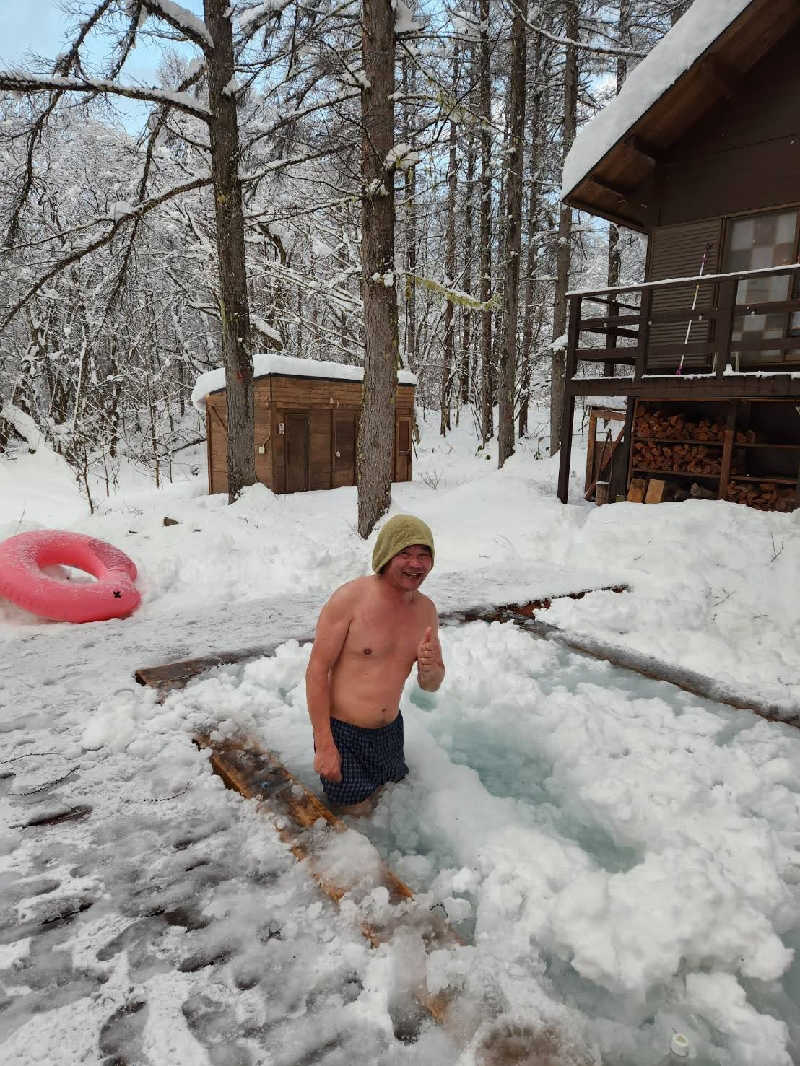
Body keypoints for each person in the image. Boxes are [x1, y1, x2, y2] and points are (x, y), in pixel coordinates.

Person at [305, 514, 445, 815]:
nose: (415, 564)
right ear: (385, 556)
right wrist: (325, 744)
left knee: (386, 808)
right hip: (343, 734)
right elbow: (317, 670)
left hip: (390, 733)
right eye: (405, 554)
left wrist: (431, 671)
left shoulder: (426, 611)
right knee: (355, 817)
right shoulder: (350, 600)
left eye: (424, 555)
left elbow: (430, 684)